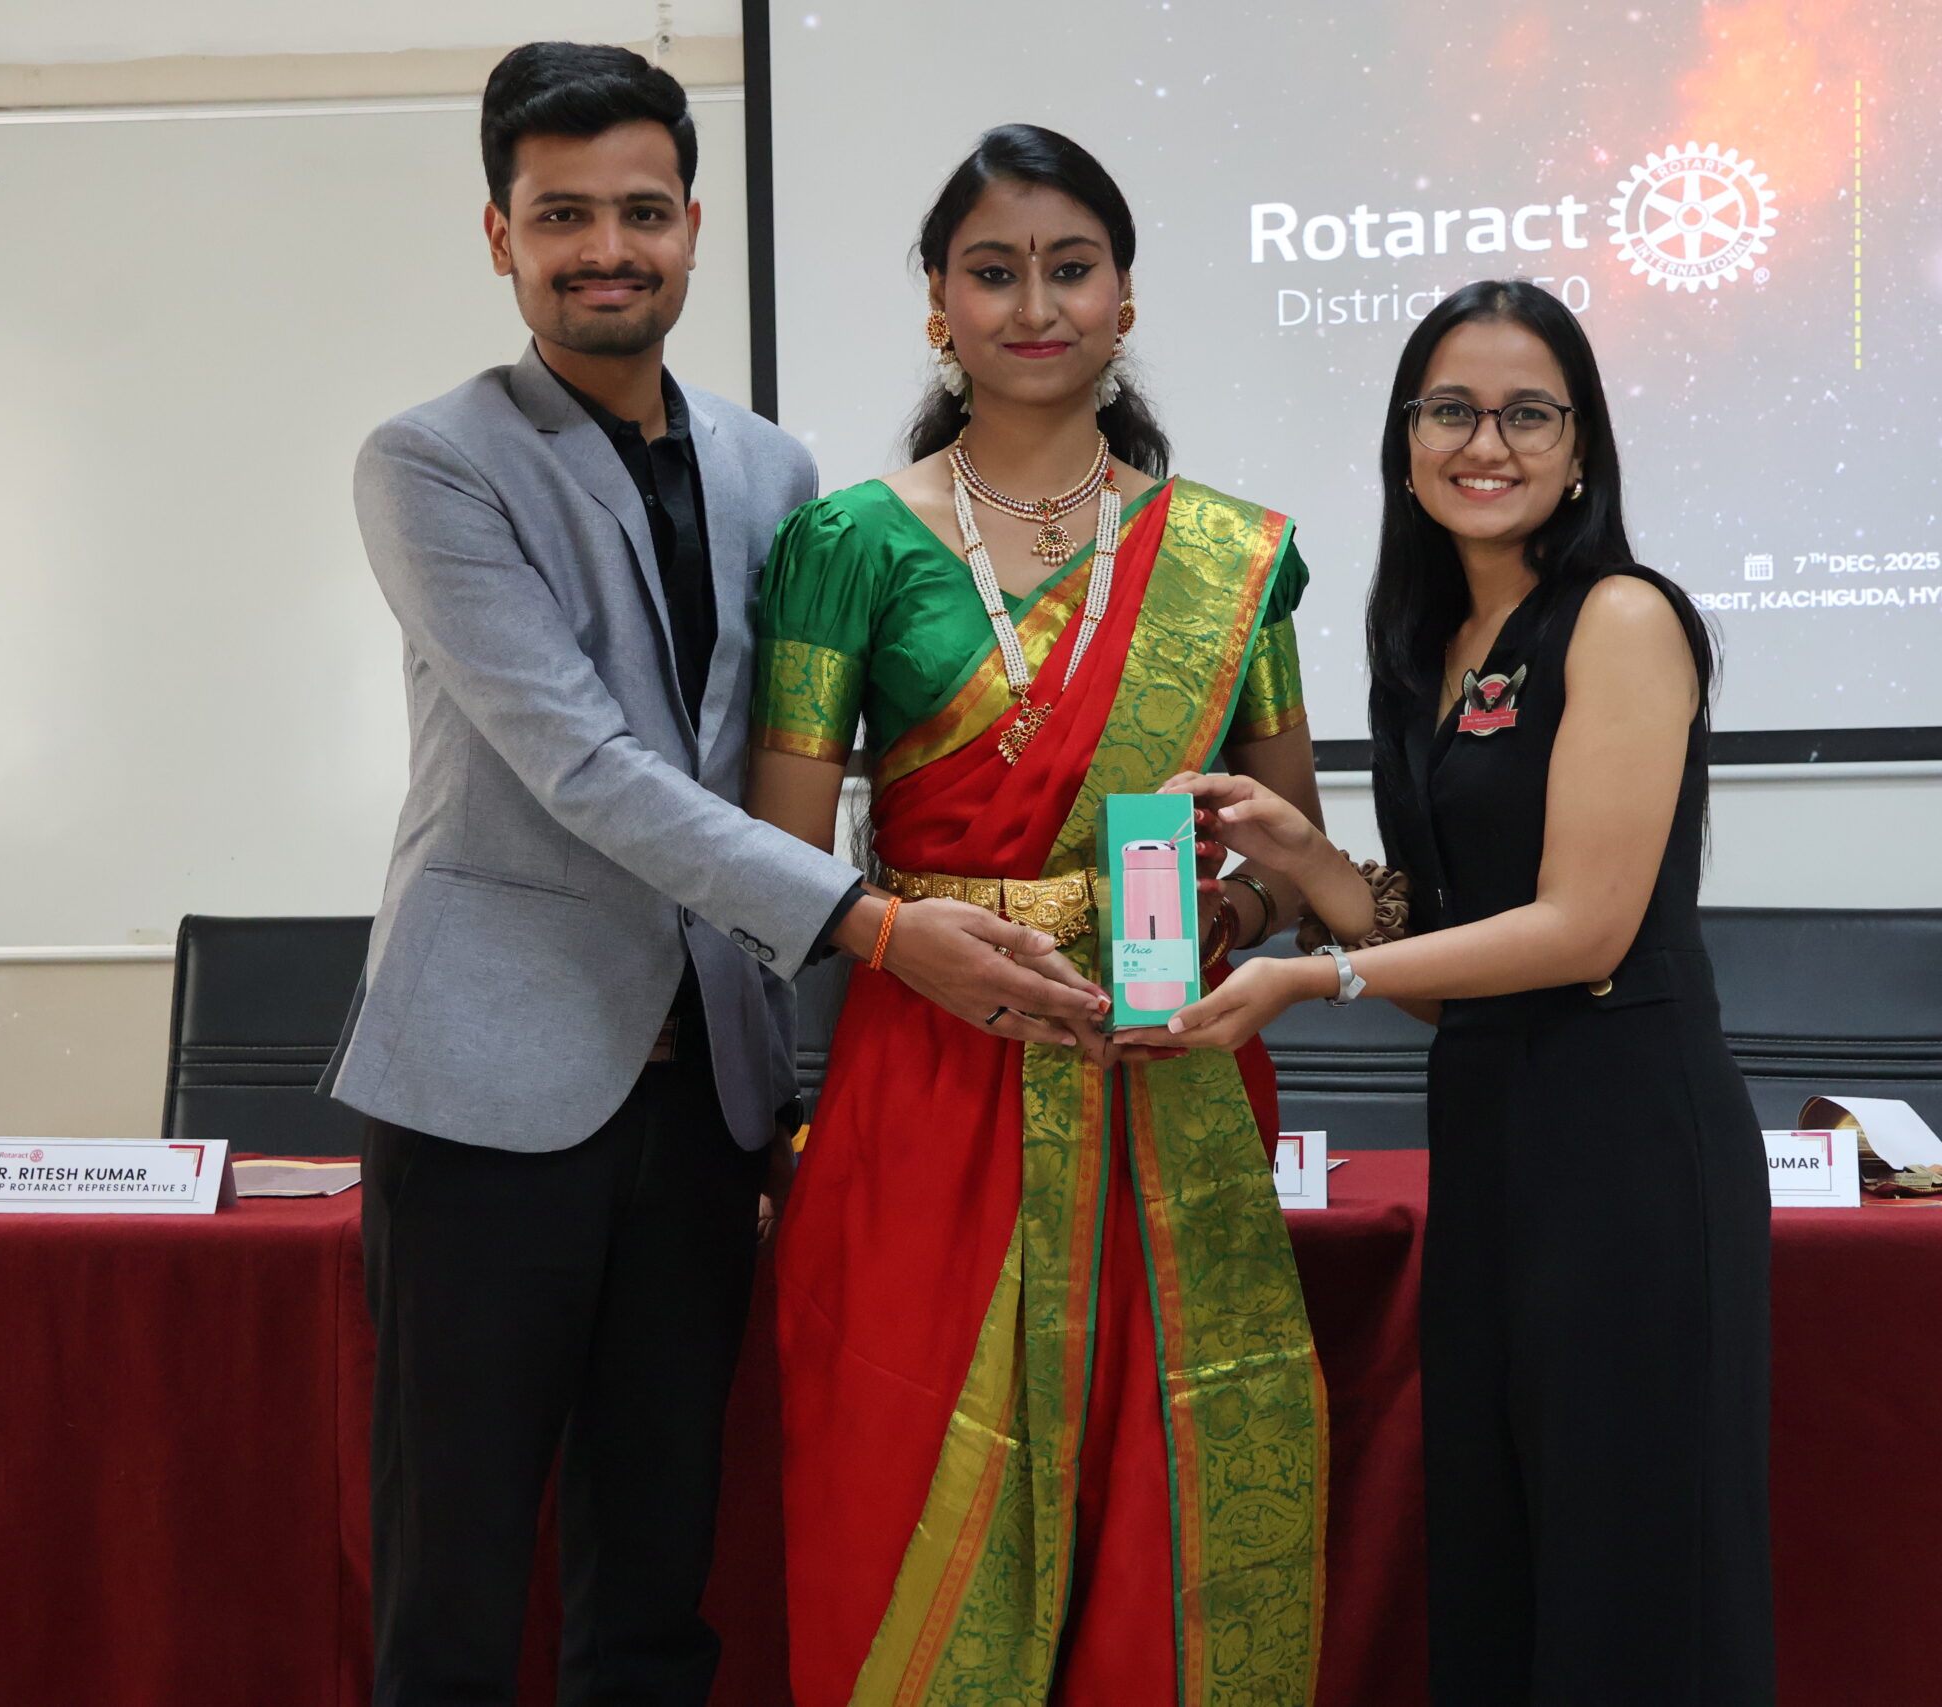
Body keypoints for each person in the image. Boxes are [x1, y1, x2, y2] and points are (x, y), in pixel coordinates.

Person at [326, 48, 1106, 1707]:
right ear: (499, 235)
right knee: (456, 1581)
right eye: (562, 217)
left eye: (640, 211)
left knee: (658, 1581)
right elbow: (584, 766)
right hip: (488, 1091)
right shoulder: (433, 460)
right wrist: (881, 927)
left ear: (692, 225)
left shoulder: (775, 474)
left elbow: (788, 767)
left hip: (705, 1102)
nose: (605, 249)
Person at [745, 125, 1329, 1705]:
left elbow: (1293, 854)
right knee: (899, 1463)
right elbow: (783, 856)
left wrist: (1221, 915)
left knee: (1163, 1475)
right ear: (939, 305)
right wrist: (905, 935)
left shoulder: (1231, 558)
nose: (1034, 304)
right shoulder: (847, 547)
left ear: (1124, 300)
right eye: (992, 272)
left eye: (1071, 268)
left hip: (1163, 1074)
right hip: (927, 1064)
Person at [1151, 280, 1776, 1705]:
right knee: (1499, 1565)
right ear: (1406, 438)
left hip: (1629, 1149)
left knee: (1630, 1579)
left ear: (1579, 446)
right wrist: (1303, 859)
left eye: (1526, 414)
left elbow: (1581, 931)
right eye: (1451, 411)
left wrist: (1316, 973)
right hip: (1491, 1140)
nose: (1485, 444)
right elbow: (1455, 976)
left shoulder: (1621, 618)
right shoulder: (1424, 651)